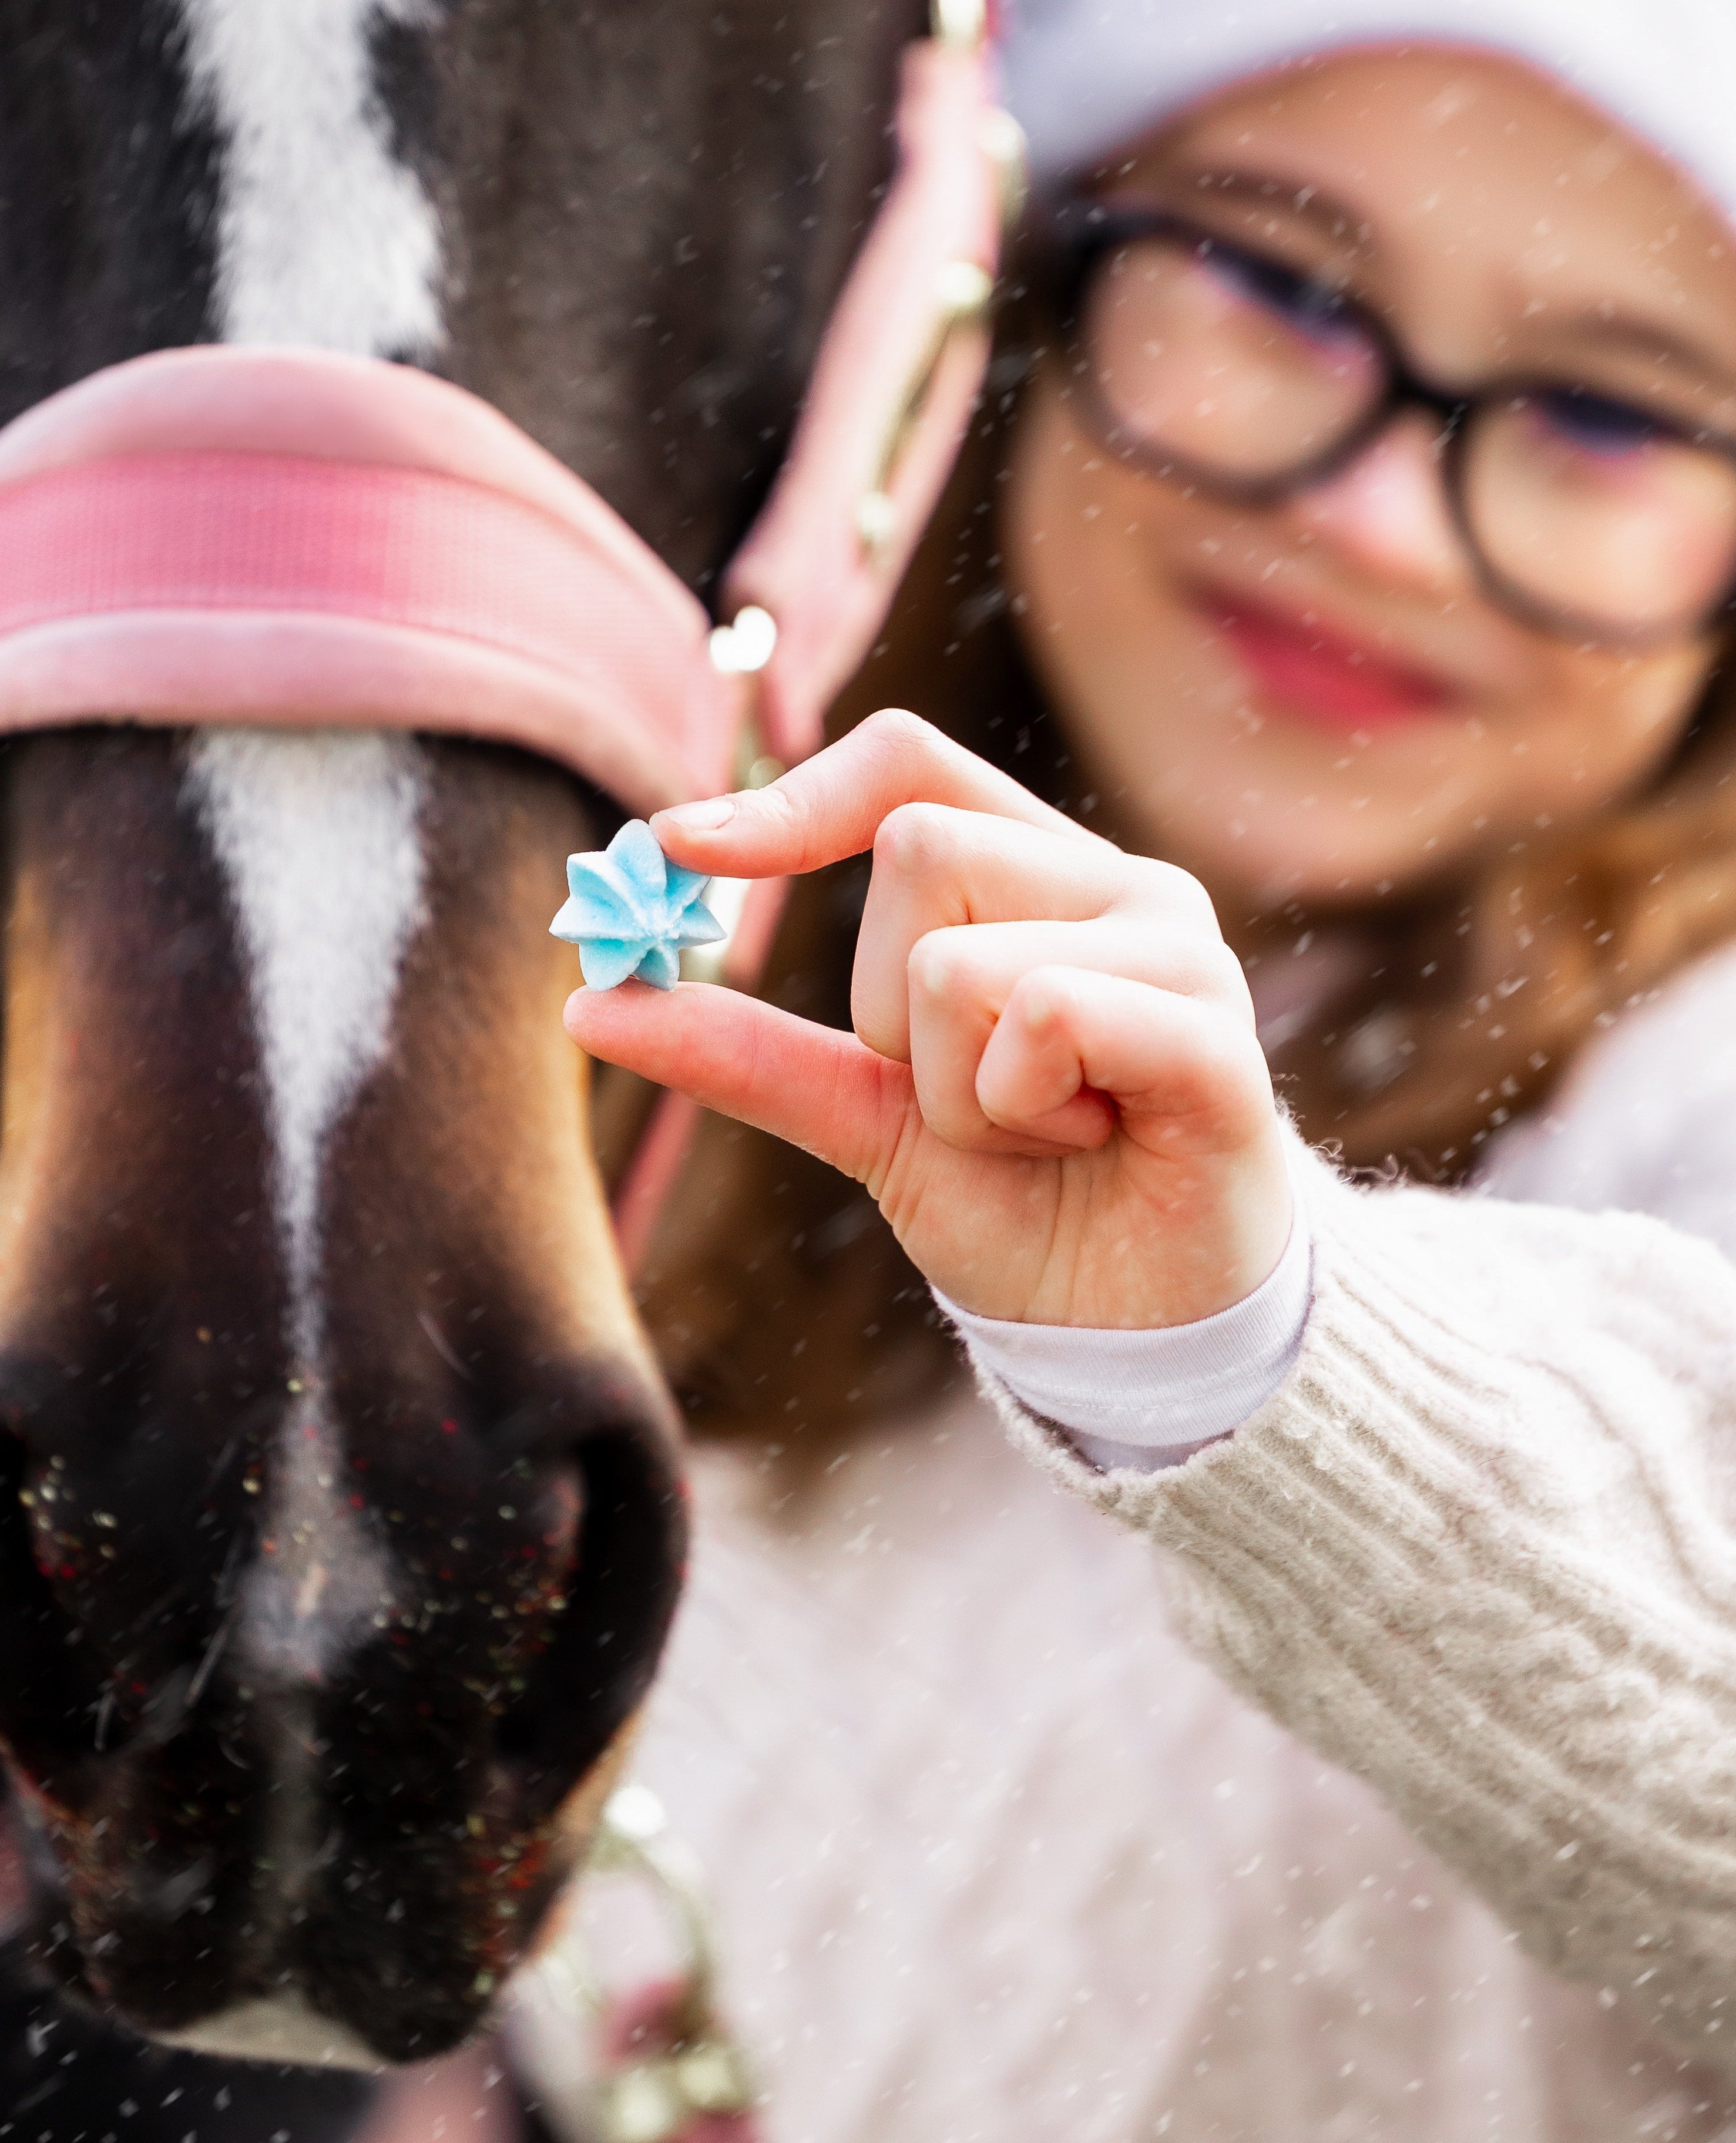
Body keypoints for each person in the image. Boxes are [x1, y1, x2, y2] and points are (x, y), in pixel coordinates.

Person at [559, 3, 1736, 2137]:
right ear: (1015, 307)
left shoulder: (1696, 1085)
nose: (1379, 517)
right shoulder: (721, 989)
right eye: (1281, 284)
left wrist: (1251, 1360)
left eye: (1609, 416)